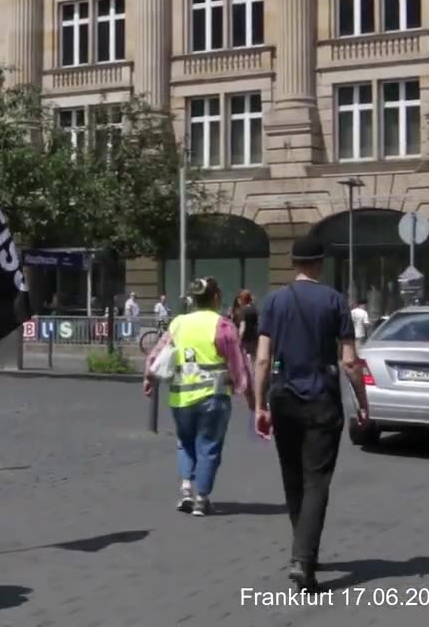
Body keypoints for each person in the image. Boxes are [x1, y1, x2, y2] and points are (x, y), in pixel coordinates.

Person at [252, 234, 369, 591]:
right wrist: (362, 400)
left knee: (292, 478)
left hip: (283, 398)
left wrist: (259, 405)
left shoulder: (274, 301)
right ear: (319, 263)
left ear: (293, 262)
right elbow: (349, 361)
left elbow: (261, 358)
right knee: (317, 481)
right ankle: (303, 560)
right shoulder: (336, 302)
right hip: (322, 400)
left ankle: (303, 550)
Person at [142, 277, 254, 517]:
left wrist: (148, 378)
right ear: (216, 297)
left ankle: (185, 491)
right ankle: (202, 499)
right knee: (209, 447)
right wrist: (249, 396)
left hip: (181, 398)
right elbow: (238, 365)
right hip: (213, 397)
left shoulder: (179, 323)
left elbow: (157, 353)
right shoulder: (223, 325)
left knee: (185, 443)